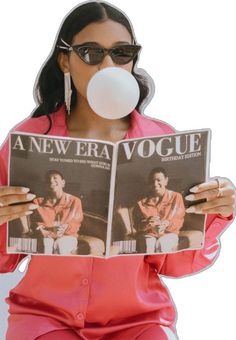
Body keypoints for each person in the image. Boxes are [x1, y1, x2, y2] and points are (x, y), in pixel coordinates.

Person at [0, 2, 235, 339]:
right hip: (45, 317)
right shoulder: (31, 136)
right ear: (64, 60)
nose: (108, 65)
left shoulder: (160, 139)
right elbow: (5, 259)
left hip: (140, 320)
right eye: (91, 52)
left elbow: (176, 263)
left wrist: (214, 212)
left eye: (121, 53)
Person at [133, 167, 185, 253]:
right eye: (152, 181)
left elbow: (179, 220)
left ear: (166, 180)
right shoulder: (141, 202)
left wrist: (167, 224)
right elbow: (137, 226)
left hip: (169, 233)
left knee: (163, 244)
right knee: (148, 246)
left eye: (158, 180)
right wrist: (147, 223)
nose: (155, 183)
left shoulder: (176, 197)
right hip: (148, 234)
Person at [32, 170, 83, 255]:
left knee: (61, 245)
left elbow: (77, 223)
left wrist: (67, 227)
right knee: (46, 244)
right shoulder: (37, 202)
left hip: (68, 236)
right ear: (46, 185)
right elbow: (32, 223)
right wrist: (40, 230)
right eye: (48, 179)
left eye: (55, 178)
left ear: (63, 183)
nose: (51, 180)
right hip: (47, 235)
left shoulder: (75, 201)